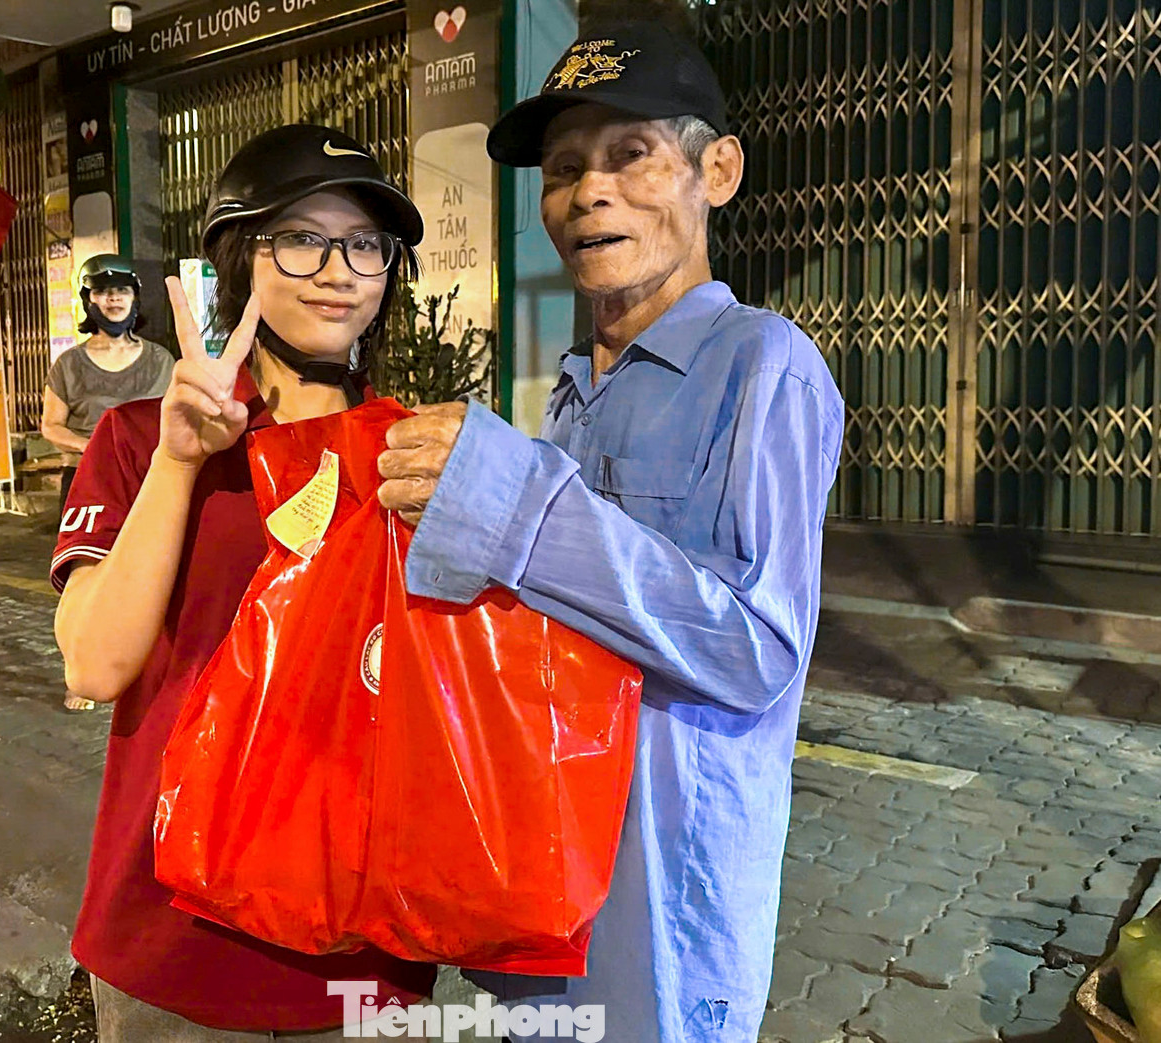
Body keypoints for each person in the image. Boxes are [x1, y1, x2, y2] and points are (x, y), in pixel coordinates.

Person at [376, 9, 846, 1042]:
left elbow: (757, 647)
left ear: (713, 171)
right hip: (540, 871)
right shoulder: (571, 390)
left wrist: (510, 505)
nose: (588, 191)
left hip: (665, 900)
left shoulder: (762, 363)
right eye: (562, 168)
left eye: (630, 156)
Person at [50, 125, 434, 1041]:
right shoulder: (141, 436)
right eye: (301, 237)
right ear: (238, 258)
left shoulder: (419, 453)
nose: (338, 268)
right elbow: (94, 666)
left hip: (363, 946)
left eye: (366, 244)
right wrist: (180, 465)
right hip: (171, 938)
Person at [42, 254, 174, 710]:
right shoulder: (70, 365)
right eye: (102, 291)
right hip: (89, 486)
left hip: (151, 486)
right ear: (89, 300)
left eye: (122, 291)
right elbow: (51, 426)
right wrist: (96, 450)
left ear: (135, 299)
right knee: (86, 580)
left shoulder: (160, 360)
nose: (113, 299)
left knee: (151, 578)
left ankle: (146, 663)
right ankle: (82, 672)